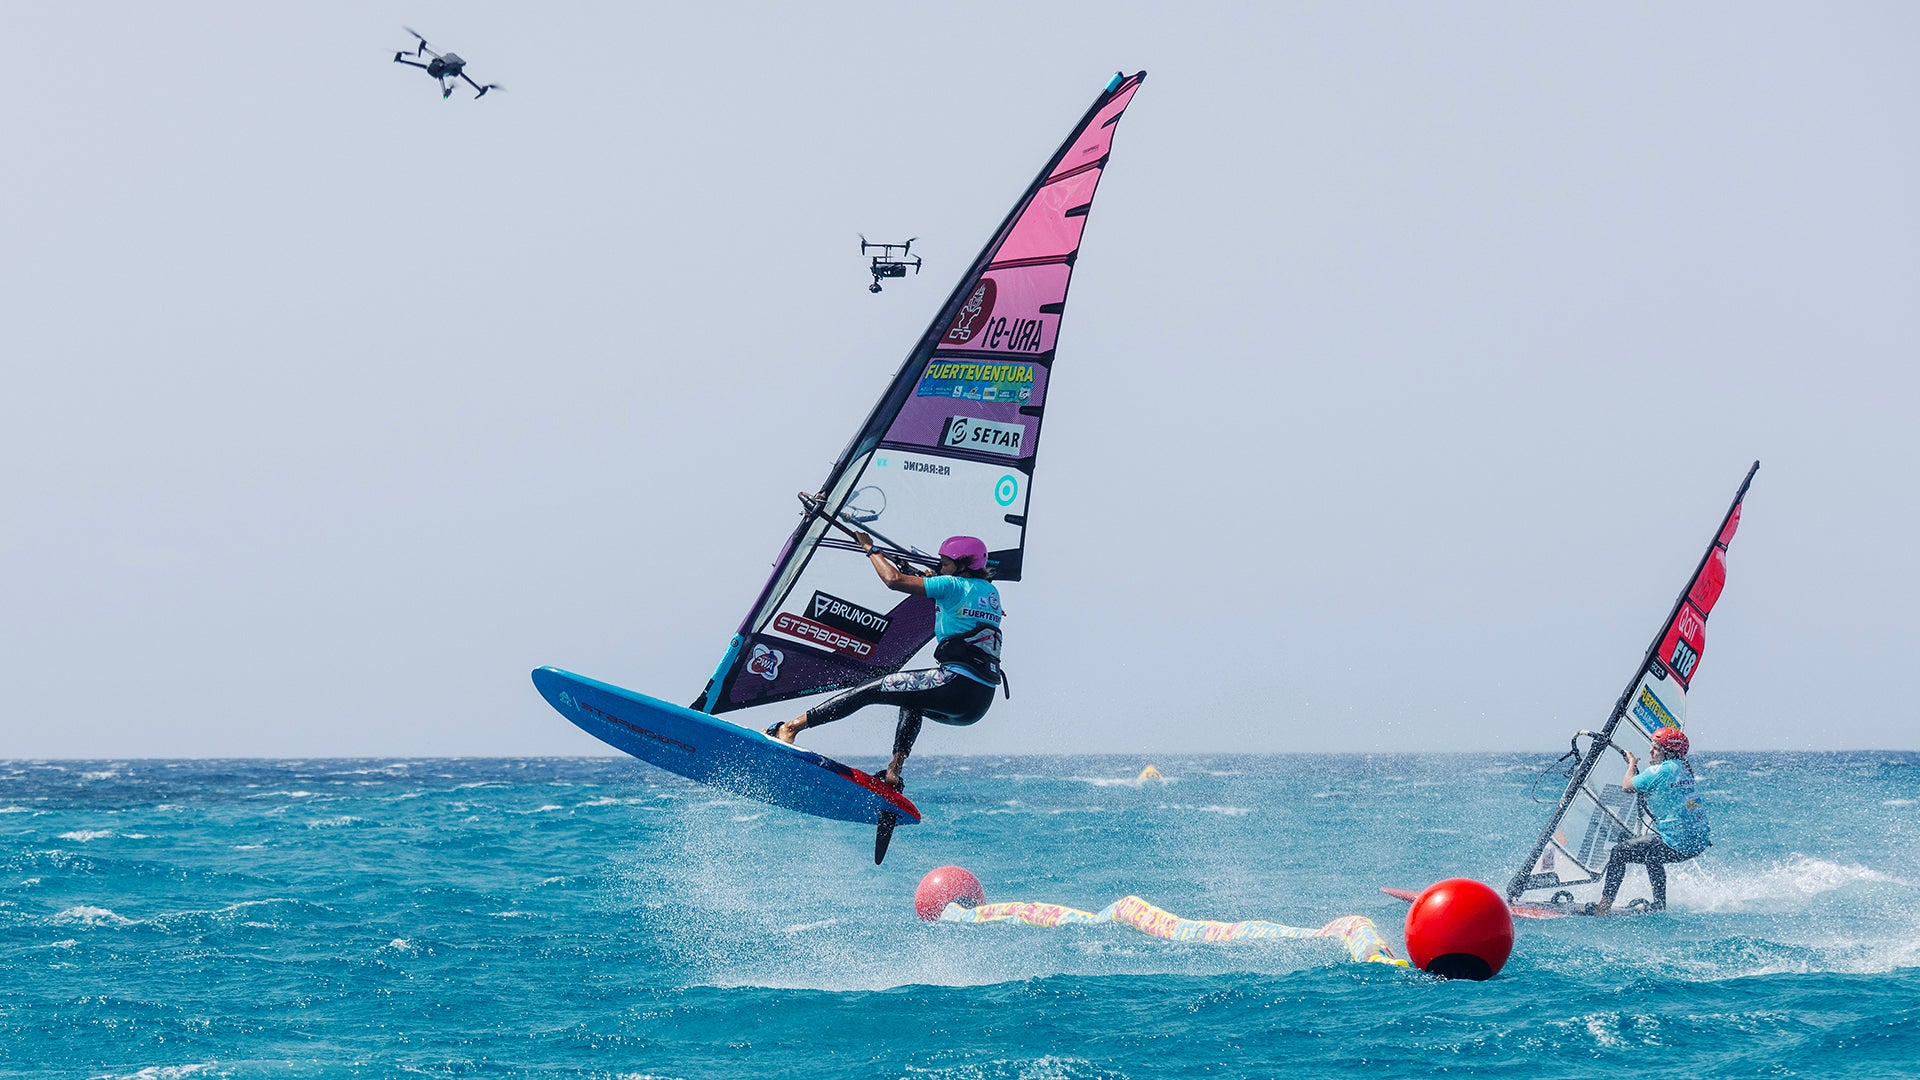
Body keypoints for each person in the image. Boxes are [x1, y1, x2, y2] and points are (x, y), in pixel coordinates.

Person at [767, 532, 1003, 790]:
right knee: (912, 700)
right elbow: (959, 604)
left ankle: (790, 728)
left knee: (867, 690)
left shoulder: (951, 585)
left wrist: (870, 548)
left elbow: (894, 580)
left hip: (954, 683)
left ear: (964, 565)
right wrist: (931, 579)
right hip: (978, 702)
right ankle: (893, 770)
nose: (941, 568)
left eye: (945, 564)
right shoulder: (990, 593)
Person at [1586, 726, 1710, 915]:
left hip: (1676, 843)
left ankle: (1603, 907)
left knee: (1619, 852)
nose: (1651, 752)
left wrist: (1631, 764)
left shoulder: (1662, 770)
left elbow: (1627, 786)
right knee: (1652, 854)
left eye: (1656, 749)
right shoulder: (1684, 768)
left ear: (1668, 753)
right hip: (1697, 843)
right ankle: (1659, 905)